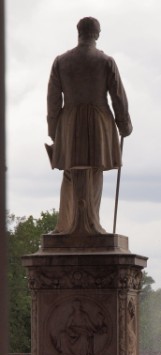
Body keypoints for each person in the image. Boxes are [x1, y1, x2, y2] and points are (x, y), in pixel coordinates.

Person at [46, 17, 132, 234]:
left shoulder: (61, 61)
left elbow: (53, 101)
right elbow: (118, 97)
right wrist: (124, 124)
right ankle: (91, 224)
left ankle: (65, 224)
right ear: (97, 34)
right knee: (94, 171)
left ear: (78, 32)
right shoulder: (105, 61)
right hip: (98, 120)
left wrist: (53, 130)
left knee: (69, 172)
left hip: (69, 121)